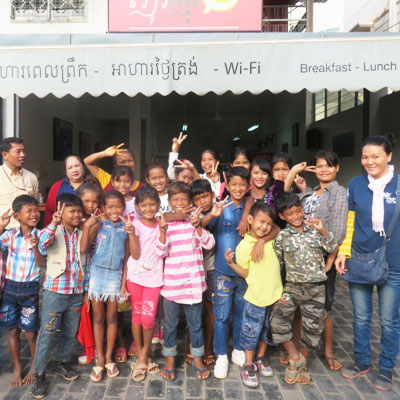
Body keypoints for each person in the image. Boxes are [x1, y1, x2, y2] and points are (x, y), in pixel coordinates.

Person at [335, 135, 400, 391]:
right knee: (361, 317)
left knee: (389, 320)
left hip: (393, 262)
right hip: (360, 258)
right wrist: (344, 251)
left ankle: (386, 368)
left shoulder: (398, 185)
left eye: (375, 156)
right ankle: (362, 361)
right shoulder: (356, 184)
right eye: (365, 157)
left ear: (389, 157)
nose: (369, 162)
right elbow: (351, 221)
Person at [284, 151, 348, 371]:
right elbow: (285, 193)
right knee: (300, 306)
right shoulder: (309, 193)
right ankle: (295, 348)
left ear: (337, 168)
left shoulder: (339, 193)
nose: (323, 170)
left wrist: (330, 261)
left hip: (321, 260)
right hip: (301, 258)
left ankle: (328, 352)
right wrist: (294, 172)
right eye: (319, 166)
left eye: (328, 166)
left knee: (323, 308)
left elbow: (338, 232)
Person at [269, 192, 337, 386]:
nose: (296, 216)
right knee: (277, 321)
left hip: (316, 289)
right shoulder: (282, 236)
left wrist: (323, 231)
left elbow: (332, 247)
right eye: (290, 214)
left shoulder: (314, 229)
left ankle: (300, 363)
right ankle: (295, 357)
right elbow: (279, 263)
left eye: (298, 211)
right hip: (292, 288)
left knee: (314, 329)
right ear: (282, 216)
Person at [156, 181, 215, 381]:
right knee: (170, 325)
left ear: (190, 201)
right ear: (170, 202)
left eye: (184, 199)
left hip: (194, 286)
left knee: (196, 325)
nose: (180, 203)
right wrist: (163, 232)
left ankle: (197, 358)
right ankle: (170, 359)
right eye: (175, 200)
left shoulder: (195, 221)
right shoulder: (166, 223)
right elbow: (159, 252)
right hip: (172, 286)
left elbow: (209, 243)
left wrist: (198, 227)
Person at [32, 194, 89, 400]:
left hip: (75, 292)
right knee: (47, 333)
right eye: (71, 211)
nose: (76, 215)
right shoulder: (53, 231)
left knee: (70, 331)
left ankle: (61, 362)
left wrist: (86, 290)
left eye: (78, 211)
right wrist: (53, 223)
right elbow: (42, 246)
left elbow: (86, 261)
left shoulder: (82, 233)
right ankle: (39, 373)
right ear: (61, 212)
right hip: (55, 291)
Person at [225, 202, 282, 388]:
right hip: (256, 297)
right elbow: (246, 273)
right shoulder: (243, 247)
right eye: (261, 222)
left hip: (274, 295)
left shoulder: (270, 238)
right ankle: (248, 364)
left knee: (268, 330)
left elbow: (277, 228)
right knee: (251, 331)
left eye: (268, 223)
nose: (264, 227)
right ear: (250, 219)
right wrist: (232, 264)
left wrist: (262, 240)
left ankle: (261, 357)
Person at [80, 191, 136, 382]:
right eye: (109, 207)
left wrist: (123, 284)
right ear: (103, 208)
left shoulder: (127, 227)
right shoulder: (98, 224)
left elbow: (128, 258)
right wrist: (88, 226)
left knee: (112, 317)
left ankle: (110, 356)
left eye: (118, 207)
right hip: (97, 275)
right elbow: (83, 248)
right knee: (98, 317)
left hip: (115, 276)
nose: (114, 210)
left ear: (124, 208)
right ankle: (100, 358)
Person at [201, 167, 249, 379]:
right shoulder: (221, 207)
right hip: (222, 271)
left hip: (245, 272)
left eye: (242, 184)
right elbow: (200, 227)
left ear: (248, 187)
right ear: (226, 186)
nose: (238, 188)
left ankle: (238, 349)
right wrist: (213, 213)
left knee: (241, 312)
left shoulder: (251, 209)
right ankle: (221, 355)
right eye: (234, 184)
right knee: (221, 315)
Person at [0, 195, 45, 387]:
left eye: (36, 210)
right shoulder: (9, 235)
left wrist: (35, 247)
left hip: (30, 289)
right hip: (10, 288)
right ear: (17, 215)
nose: (34, 214)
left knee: (30, 332)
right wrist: (1, 226)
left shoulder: (41, 235)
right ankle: (18, 368)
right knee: (13, 330)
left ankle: (34, 366)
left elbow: (41, 263)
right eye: (29, 211)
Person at [122, 185, 163, 381]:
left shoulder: (162, 225)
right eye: (144, 205)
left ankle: (144, 354)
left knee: (148, 319)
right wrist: (131, 233)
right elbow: (135, 254)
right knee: (137, 318)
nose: (148, 208)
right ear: (137, 207)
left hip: (154, 279)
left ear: (158, 204)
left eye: (152, 204)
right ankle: (141, 354)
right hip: (136, 278)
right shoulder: (135, 225)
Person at [75, 182, 102, 366]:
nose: (90, 205)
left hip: (93, 271)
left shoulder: (97, 222)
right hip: (76, 272)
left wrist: (91, 225)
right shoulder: (74, 219)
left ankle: (92, 351)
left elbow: (85, 248)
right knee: (80, 313)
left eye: (94, 201)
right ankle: (87, 348)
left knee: (90, 312)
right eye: (86, 201)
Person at [44, 155, 87, 226]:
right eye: (70, 168)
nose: (74, 170)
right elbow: (49, 211)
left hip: (86, 229)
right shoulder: (57, 186)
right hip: (61, 231)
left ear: (83, 166)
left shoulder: (91, 185)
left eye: (77, 166)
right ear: (66, 170)